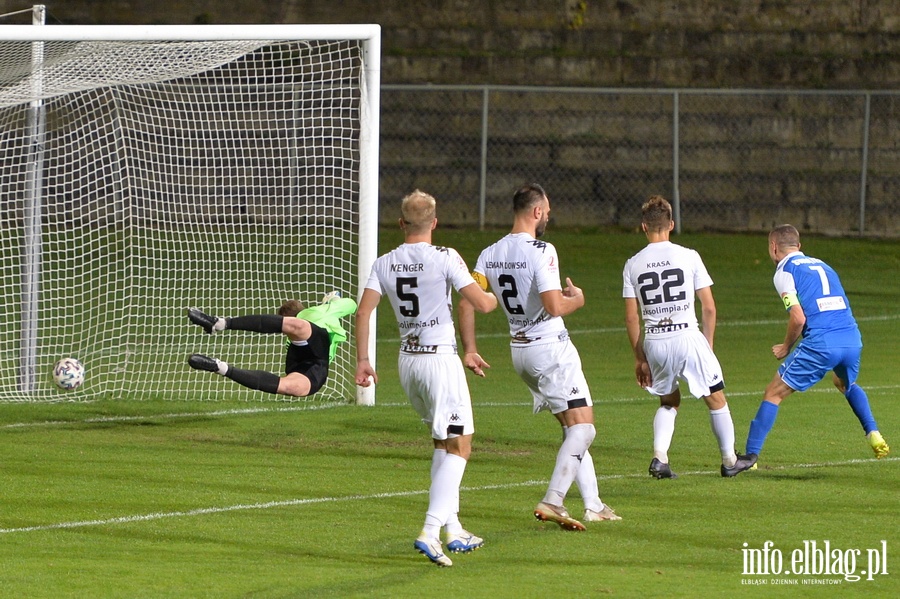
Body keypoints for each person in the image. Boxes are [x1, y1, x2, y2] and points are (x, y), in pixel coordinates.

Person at [459, 183, 620, 532]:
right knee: (584, 427)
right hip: (550, 349)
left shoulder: (490, 253)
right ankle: (554, 500)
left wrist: (470, 348)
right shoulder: (542, 250)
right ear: (535, 212)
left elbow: (467, 300)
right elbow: (553, 305)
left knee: (571, 426)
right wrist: (577, 299)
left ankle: (593, 505)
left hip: (520, 351)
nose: (548, 216)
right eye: (546, 211)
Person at [355, 190, 498, 567]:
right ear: (435, 222)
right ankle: (430, 531)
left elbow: (364, 312)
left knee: (442, 442)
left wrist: (363, 361)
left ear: (401, 223)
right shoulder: (445, 257)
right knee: (461, 444)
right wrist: (489, 291)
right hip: (439, 361)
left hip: (408, 362)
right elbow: (482, 304)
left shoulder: (384, 262)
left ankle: (454, 529)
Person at [723, 224, 890, 476]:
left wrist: (786, 347)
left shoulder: (784, 272)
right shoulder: (824, 266)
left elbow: (798, 318)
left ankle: (750, 458)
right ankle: (873, 433)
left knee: (773, 393)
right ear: (799, 246)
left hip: (822, 343)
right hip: (851, 338)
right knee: (845, 383)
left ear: (773, 247)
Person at [622, 195, 738, 479]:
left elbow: (631, 317)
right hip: (687, 336)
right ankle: (730, 460)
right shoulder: (689, 255)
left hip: (655, 341)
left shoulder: (632, 264)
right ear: (671, 224)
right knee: (716, 399)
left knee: (668, 402)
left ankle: (660, 458)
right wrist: (707, 347)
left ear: (643, 227)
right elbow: (709, 307)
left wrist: (640, 358)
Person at [186, 292, 357, 397]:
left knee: (295, 388)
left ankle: (219, 367)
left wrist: (332, 303)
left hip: (317, 357)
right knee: (299, 327)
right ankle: (218, 323)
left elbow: (351, 305)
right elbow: (352, 304)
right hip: (305, 353)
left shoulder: (316, 312)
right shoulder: (309, 318)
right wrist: (334, 300)